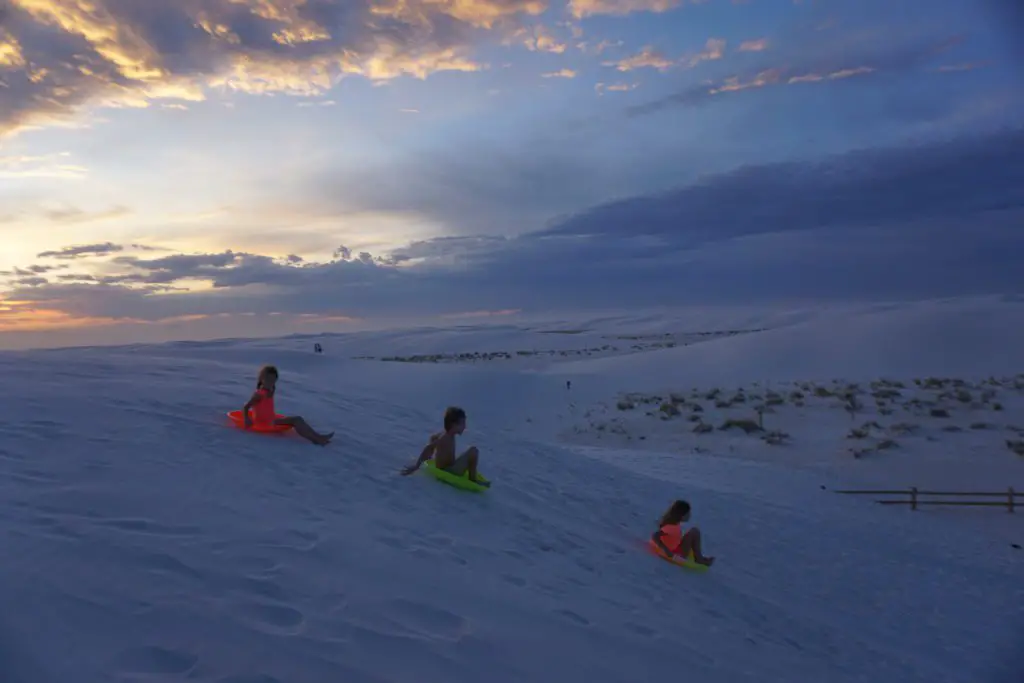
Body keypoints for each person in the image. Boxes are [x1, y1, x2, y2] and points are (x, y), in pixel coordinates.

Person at [242, 365, 333, 446]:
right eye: (269, 380)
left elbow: (272, 388)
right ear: (262, 379)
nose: (271, 383)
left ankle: (318, 437)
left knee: (298, 419)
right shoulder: (259, 395)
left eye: (273, 381)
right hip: (266, 423)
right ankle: (316, 439)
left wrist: (271, 389)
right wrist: (246, 419)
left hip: (271, 419)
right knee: (297, 420)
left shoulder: (269, 390)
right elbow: (246, 407)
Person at [400, 406, 489, 487]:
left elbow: (433, 438)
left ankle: (471, 476)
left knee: (469, 452)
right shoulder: (445, 437)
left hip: (449, 467)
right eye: (462, 424)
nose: (465, 427)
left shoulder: (446, 435)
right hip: (449, 471)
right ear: (454, 425)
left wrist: (433, 457)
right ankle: (473, 479)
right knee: (474, 451)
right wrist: (417, 466)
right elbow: (429, 447)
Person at [651, 499, 714, 566]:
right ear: (682, 516)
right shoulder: (671, 527)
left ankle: (699, 557)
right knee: (695, 531)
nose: (690, 515)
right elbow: (655, 536)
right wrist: (666, 550)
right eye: (688, 514)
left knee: (691, 532)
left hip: (675, 547)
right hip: (678, 553)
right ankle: (699, 559)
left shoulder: (672, 523)